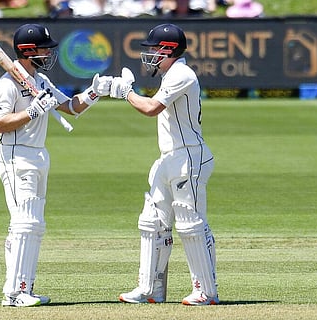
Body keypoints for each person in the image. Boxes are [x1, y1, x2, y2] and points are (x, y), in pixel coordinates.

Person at [0, 23, 112, 307]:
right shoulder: (6, 84)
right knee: (25, 223)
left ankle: (23, 288)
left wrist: (95, 92)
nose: (48, 53)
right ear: (28, 50)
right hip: (15, 155)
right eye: (44, 48)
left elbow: (70, 107)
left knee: (32, 226)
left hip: (38, 155)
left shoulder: (41, 82)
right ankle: (15, 293)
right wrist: (32, 111)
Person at [109, 23, 218, 305]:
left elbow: (150, 108)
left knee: (191, 226)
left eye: (155, 49)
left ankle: (206, 291)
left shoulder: (181, 73)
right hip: (169, 157)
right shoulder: (172, 74)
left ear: (168, 50)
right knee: (152, 222)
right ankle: (149, 290)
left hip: (188, 158)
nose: (150, 55)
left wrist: (125, 92)